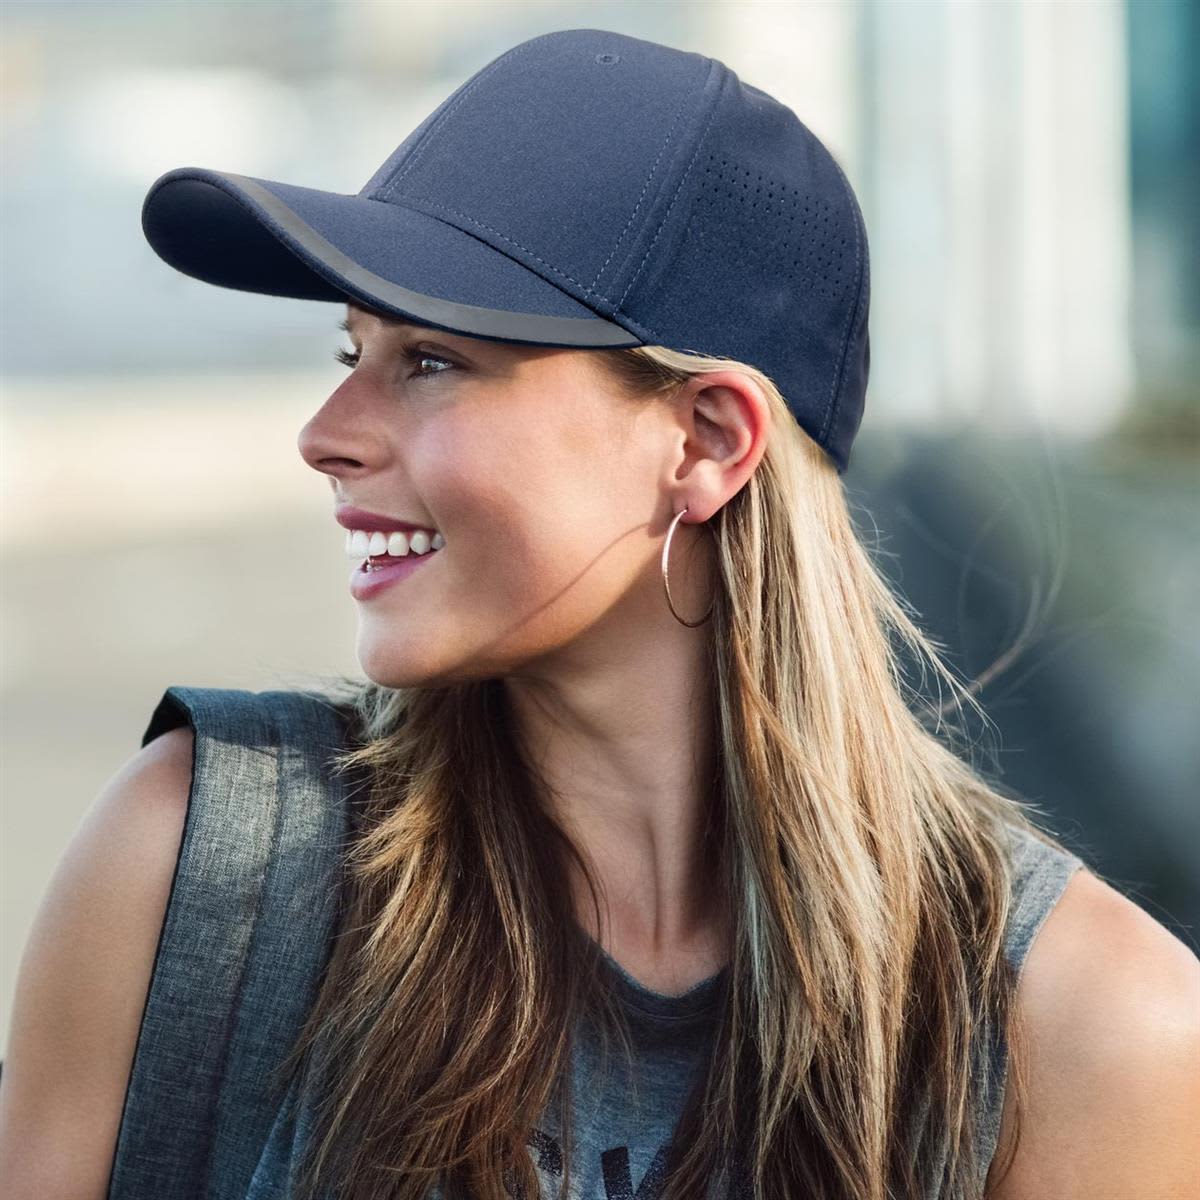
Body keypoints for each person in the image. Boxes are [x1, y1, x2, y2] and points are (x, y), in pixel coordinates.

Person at [2, 27, 1197, 1200]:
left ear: (708, 440)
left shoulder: (1089, 1028)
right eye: (348, 349)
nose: (325, 436)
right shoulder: (202, 873)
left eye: (428, 360)